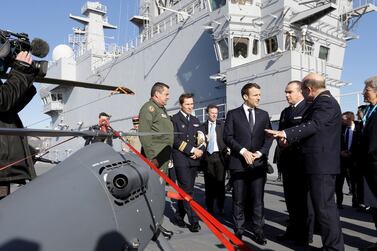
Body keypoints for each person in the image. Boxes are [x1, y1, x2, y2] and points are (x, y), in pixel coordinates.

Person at [266, 73, 344, 251]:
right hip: (315, 162)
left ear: (309, 89)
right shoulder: (321, 102)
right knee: (321, 207)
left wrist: (285, 133)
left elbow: (314, 125)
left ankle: (334, 248)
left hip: (321, 164)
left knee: (325, 209)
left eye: (302, 90)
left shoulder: (325, 102)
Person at [223, 83, 273, 245]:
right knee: (238, 199)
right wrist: (243, 151)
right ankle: (239, 230)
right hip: (239, 163)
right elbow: (228, 137)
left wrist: (259, 153)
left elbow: (269, 137)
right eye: (255, 95)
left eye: (259, 94)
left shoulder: (264, 115)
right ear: (245, 97)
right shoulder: (233, 114)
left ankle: (258, 230)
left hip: (258, 164)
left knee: (258, 199)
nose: (259, 97)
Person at [275, 80, 312, 245]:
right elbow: (280, 134)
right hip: (287, 161)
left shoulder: (308, 109)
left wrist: (288, 141)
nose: (286, 95)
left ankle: (305, 235)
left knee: (304, 200)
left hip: (301, 161)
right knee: (291, 199)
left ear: (300, 92)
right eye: (286, 91)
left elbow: (307, 133)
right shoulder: (285, 112)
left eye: (290, 92)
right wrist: (281, 142)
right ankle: (293, 230)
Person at [0, 51, 37, 199]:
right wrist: (21, 70)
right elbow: (3, 101)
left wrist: (27, 76)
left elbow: (9, 108)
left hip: (4, 170)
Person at [171, 93, 204, 232]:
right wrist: (192, 150)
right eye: (187, 104)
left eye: (192, 104)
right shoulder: (174, 119)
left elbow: (202, 137)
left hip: (194, 160)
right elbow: (174, 140)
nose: (190, 106)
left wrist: (200, 150)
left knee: (185, 190)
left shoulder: (196, 119)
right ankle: (194, 220)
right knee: (188, 190)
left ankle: (179, 216)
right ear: (181, 105)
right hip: (181, 159)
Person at [138, 82, 174, 175]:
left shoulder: (161, 109)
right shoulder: (149, 108)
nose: (168, 97)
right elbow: (144, 134)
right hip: (155, 157)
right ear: (157, 94)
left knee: (161, 184)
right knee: (155, 184)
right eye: (166, 94)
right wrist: (152, 158)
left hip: (163, 155)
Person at [200, 104, 227, 215]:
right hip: (208, 157)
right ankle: (210, 208)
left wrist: (228, 149)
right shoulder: (202, 127)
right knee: (209, 184)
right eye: (212, 113)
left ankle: (220, 207)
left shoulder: (222, 125)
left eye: (216, 113)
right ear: (208, 113)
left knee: (220, 184)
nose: (214, 115)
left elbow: (227, 138)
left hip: (220, 157)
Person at [360, 75, 377, 250]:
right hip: (369, 167)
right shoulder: (369, 110)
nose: (364, 92)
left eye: (368, 90)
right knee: (375, 208)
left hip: (375, 165)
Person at [336, 111, 356, 209]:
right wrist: (340, 152)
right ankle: (339, 203)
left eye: (343, 119)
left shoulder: (358, 128)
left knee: (354, 182)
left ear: (349, 119)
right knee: (339, 183)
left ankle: (356, 203)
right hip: (341, 160)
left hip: (354, 161)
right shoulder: (341, 129)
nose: (341, 121)